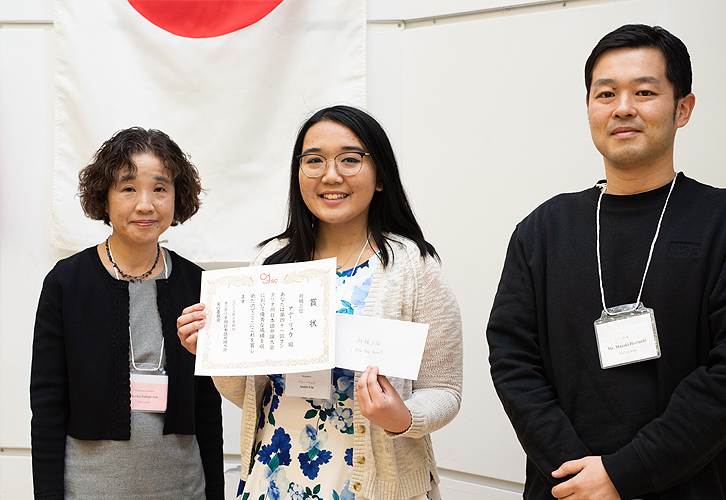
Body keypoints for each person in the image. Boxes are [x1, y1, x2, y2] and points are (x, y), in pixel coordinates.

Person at [486, 24, 726, 500]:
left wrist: (624, 473)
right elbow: (513, 360)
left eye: (644, 91)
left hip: (688, 487)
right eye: (605, 93)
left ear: (682, 108)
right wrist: (577, 475)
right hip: (567, 490)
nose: (623, 107)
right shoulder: (542, 230)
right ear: (588, 107)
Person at [177, 105, 463, 500]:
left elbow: (445, 390)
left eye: (350, 159)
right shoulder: (271, 263)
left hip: (373, 486)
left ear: (380, 176)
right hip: (274, 476)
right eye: (314, 161)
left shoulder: (415, 269)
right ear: (299, 175)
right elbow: (251, 393)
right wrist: (212, 352)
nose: (331, 175)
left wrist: (403, 418)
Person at [30, 127, 225, 500]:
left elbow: (206, 404)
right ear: (103, 197)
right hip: (88, 488)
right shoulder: (67, 282)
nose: (145, 204)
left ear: (176, 197)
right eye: (128, 187)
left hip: (182, 488)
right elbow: (47, 403)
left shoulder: (196, 283)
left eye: (160, 188)